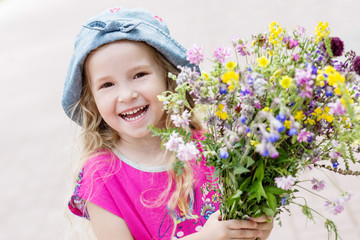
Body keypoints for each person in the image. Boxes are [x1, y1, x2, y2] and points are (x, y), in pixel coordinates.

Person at [62, 7, 274, 240]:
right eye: (107, 85)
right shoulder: (100, 177)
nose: (126, 95)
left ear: (168, 77)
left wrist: (254, 228)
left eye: (139, 75)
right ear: (92, 101)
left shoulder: (211, 147)